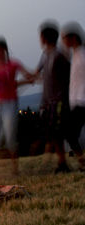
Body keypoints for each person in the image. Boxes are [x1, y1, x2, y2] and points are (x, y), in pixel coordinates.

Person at [0, 36, 33, 178]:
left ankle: (15, 168)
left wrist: (32, 78)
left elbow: (26, 76)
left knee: (10, 136)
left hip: (10, 104)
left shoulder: (13, 64)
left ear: (3, 49)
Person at [33, 20, 71, 173]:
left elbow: (66, 79)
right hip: (47, 101)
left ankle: (64, 163)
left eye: (40, 36)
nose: (39, 39)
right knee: (54, 134)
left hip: (58, 101)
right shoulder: (45, 55)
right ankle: (62, 163)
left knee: (58, 133)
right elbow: (35, 74)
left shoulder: (59, 55)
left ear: (45, 37)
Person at [61, 21, 85, 171]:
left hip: (83, 100)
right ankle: (82, 161)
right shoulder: (75, 53)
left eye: (65, 38)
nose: (63, 42)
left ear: (73, 38)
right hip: (75, 100)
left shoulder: (82, 54)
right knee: (70, 132)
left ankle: (82, 161)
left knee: (69, 132)